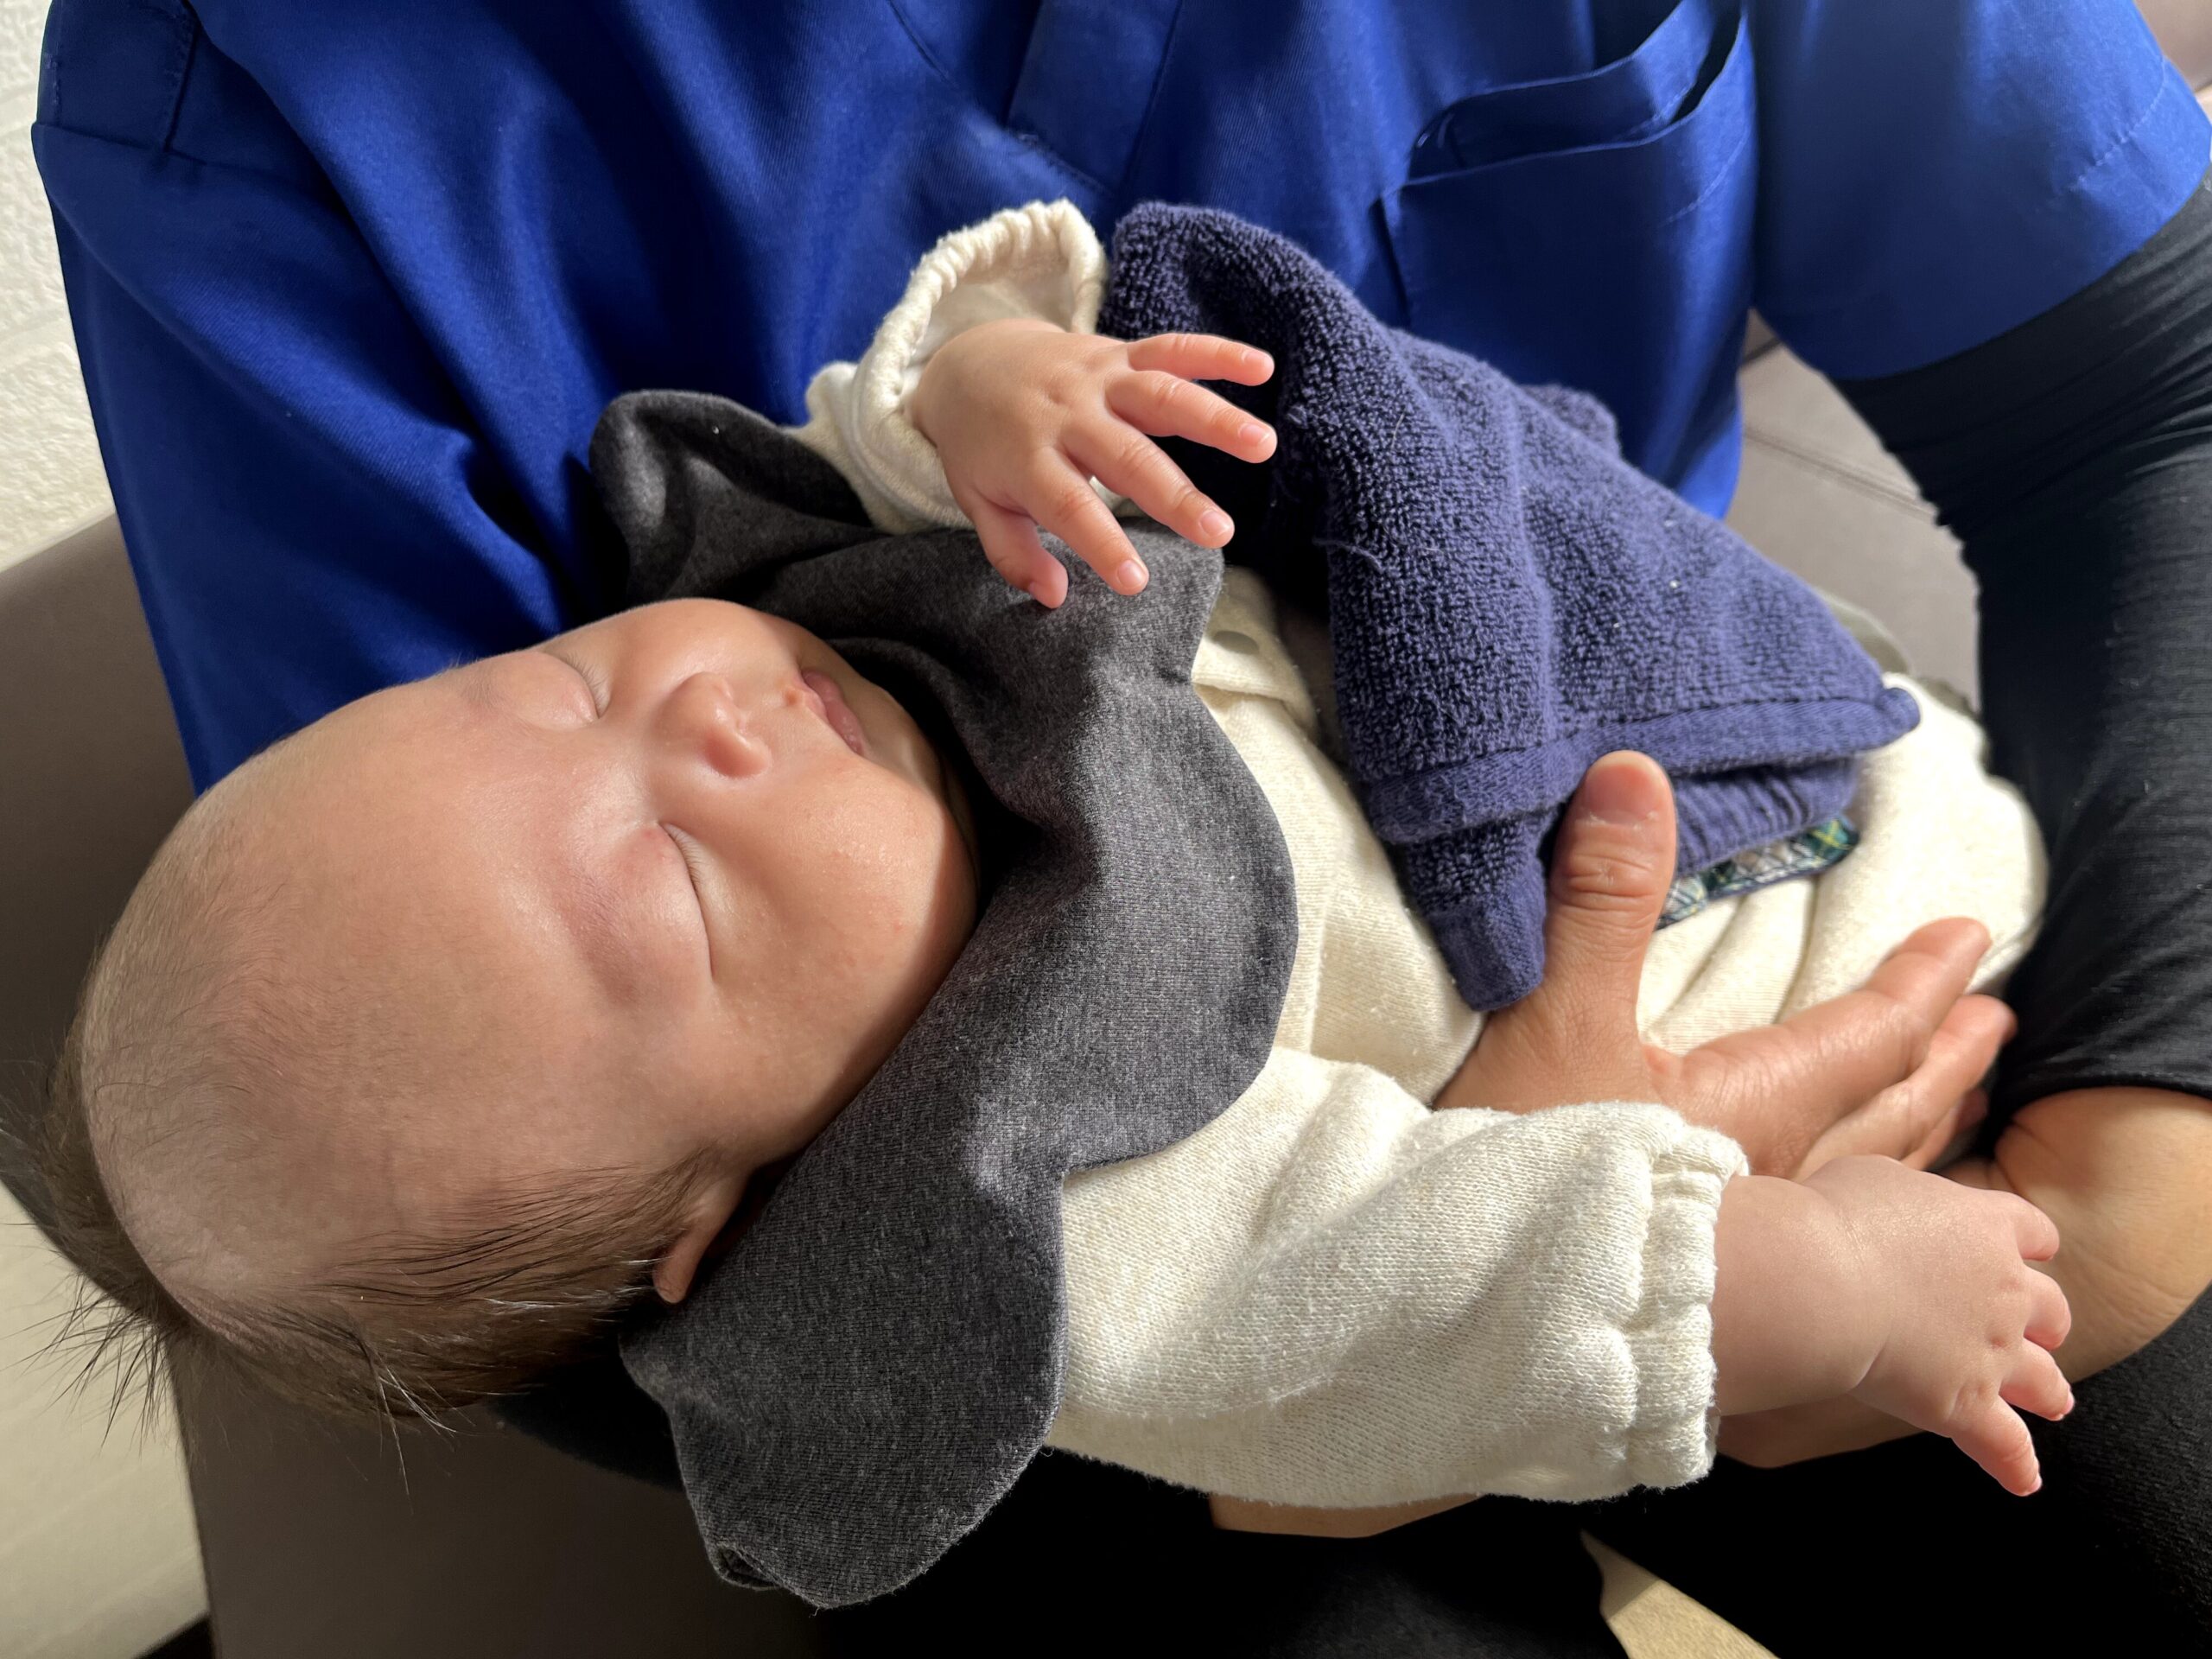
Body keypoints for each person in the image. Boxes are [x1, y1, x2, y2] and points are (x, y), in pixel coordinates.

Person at [34, 1, 2212, 1649]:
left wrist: (989, 391)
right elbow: (1385, 1291)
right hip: (1528, 1248)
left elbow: (2142, 390)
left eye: (567, 681)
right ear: (738, 1218)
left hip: (1774, 835)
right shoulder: (1026, 1183)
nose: (693, 715)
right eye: (675, 890)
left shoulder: (830, 643)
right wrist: (1663, 1304)